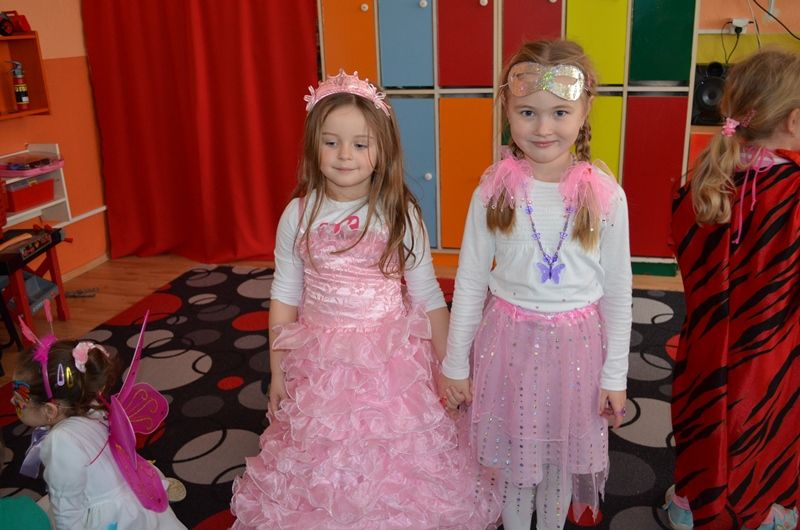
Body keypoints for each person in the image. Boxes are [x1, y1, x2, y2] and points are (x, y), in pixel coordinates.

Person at [230, 70, 501, 529]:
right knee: (322, 448)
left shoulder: (399, 213)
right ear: (313, 146)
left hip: (390, 361)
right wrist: (278, 370)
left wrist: (450, 365)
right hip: (320, 361)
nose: (345, 155)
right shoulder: (298, 213)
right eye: (331, 142)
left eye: (360, 144)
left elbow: (428, 295)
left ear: (382, 151)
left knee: (394, 450)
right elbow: (284, 295)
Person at [438, 39, 632, 530]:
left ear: (584, 111)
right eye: (528, 112)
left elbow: (617, 292)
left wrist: (615, 374)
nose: (543, 128)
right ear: (507, 109)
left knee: (559, 459)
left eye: (559, 113)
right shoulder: (493, 191)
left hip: (578, 352)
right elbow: (469, 283)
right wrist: (455, 364)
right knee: (512, 460)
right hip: (509, 347)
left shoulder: (606, 195)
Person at [665, 48, 800, 530]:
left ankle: (687, 504)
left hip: (703, 343)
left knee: (701, 421)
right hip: (769, 351)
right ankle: (756, 514)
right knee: (757, 429)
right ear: (793, 121)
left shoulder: (701, 180)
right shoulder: (793, 192)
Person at [10, 331, 186, 530]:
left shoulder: (60, 442)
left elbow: (66, 508)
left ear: (50, 410)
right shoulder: (90, 405)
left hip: (115, 518)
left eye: (19, 401)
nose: (11, 401)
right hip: (133, 489)